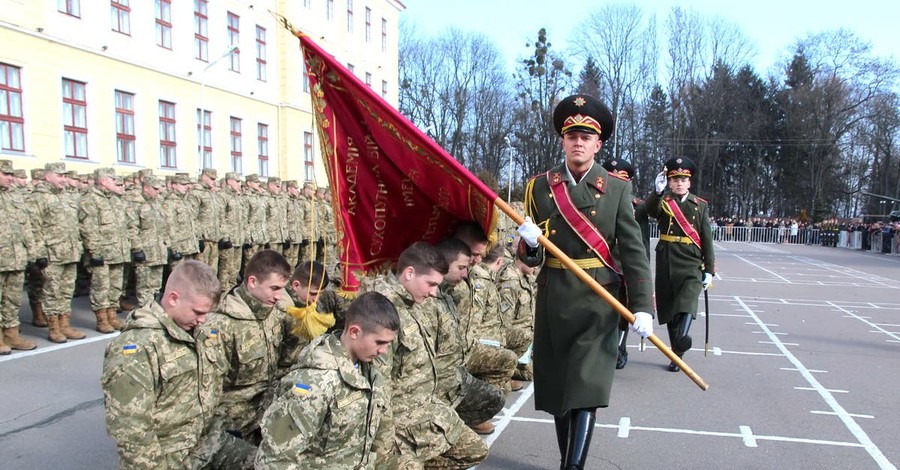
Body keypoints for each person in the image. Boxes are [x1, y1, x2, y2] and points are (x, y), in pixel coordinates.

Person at [516, 94, 654, 470]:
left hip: (598, 298)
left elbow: (632, 251)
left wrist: (642, 306)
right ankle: (567, 460)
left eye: (585, 137)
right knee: (562, 388)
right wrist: (529, 244)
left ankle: (573, 466)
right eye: (571, 135)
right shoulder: (539, 188)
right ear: (562, 140)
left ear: (599, 144)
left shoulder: (617, 189)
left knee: (586, 385)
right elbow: (531, 260)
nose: (578, 142)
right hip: (555, 298)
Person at [101, 260, 255, 469]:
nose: (203, 320)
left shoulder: (198, 332)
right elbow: (132, 434)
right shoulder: (136, 348)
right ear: (174, 298)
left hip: (208, 442)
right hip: (169, 457)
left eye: (207, 313)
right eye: (198, 312)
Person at [364, 242, 488, 469]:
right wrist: (385, 452)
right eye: (430, 284)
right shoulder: (383, 310)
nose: (433, 292)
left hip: (425, 406)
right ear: (409, 273)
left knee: (475, 451)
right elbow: (378, 389)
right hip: (400, 420)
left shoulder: (415, 300)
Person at [255, 291, 402, 469]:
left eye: (388, 344)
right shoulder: (314, 383)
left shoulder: (371, 370)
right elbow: (273, 458)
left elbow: (381, 438)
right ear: (355, 332)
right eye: (379, 342)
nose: (384, 351)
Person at [205, 249, 291, 444]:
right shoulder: (221, 324)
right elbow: (208, 391)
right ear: (253, 282)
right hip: (233, 425)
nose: (279, 296)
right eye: (274, 288)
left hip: (266, 415)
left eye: (282, 289)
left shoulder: (274, 312)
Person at [646, 156, 716, 372]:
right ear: (669, 181)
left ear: (689, 182)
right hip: (667, 258)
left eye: (683, 179)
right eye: (674, 179)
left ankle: (682, 342)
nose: (678, 183)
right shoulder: (663, 202)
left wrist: (710, 269)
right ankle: (676, 352)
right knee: (669, 308)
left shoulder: (700, 206)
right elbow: (649, 211)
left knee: (687, 301)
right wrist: (656, 193)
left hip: (691, 260)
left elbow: (706, 238)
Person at [601, 158, 651, 370]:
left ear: (628, 181)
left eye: (619, 179)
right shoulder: (599, 202)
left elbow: (640, 241)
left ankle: (620, 347)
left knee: (624, 312)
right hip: (604, 261)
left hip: (625, 265)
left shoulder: (637, 208)